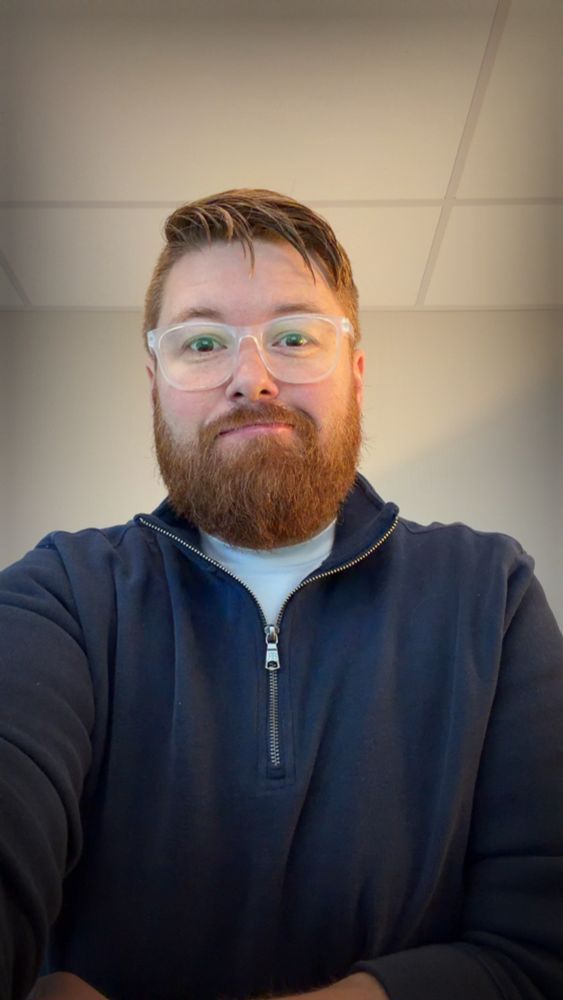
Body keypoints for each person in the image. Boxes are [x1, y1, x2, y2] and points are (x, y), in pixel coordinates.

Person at [1, 189, 562, 1000]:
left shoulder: (491, 594)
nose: (250, 379)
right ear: (155, 385)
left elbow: (540, 951)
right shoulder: (62, 596)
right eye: (203, 343)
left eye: (295, 337)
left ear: (356, 377)